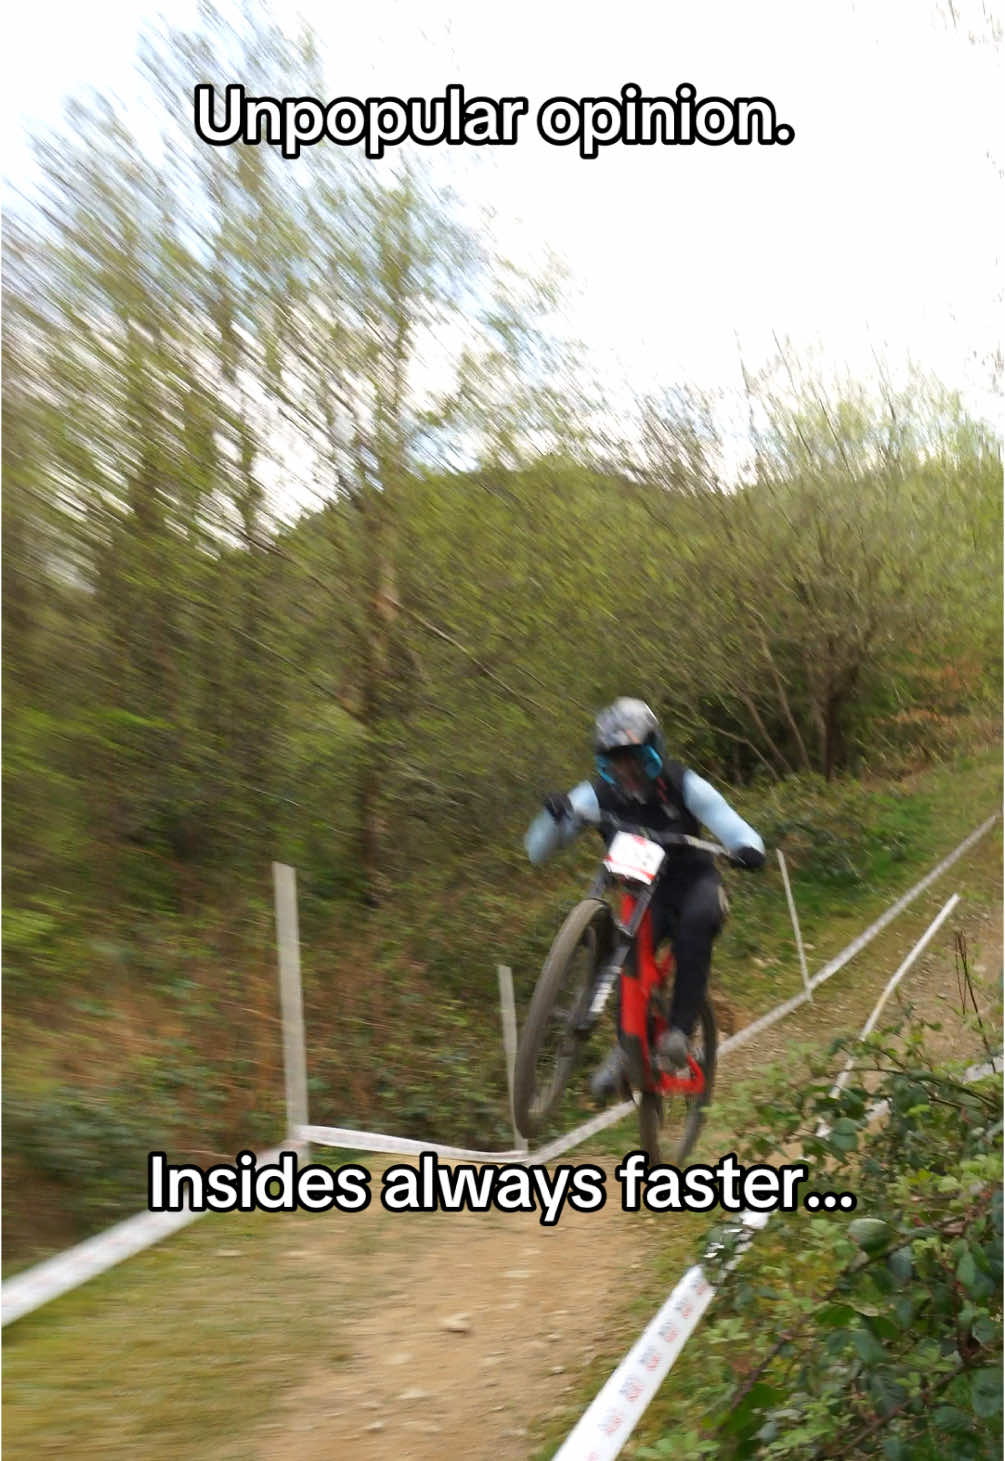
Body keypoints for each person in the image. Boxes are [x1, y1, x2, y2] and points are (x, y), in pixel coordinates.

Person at [524, 697, 765, 1100]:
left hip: (692, 882)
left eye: (634, 757)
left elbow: (734, 828)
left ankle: (679, 1032)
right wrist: (553, 817)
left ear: (653, 750)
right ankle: (626, 1047)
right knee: (625, 952)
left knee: (697, 922)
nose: (626, 769)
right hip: (642, 893)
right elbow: (537, 851)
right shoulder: (597, 793)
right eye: (616, 760)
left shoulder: (683, 783)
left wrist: (747, 849)